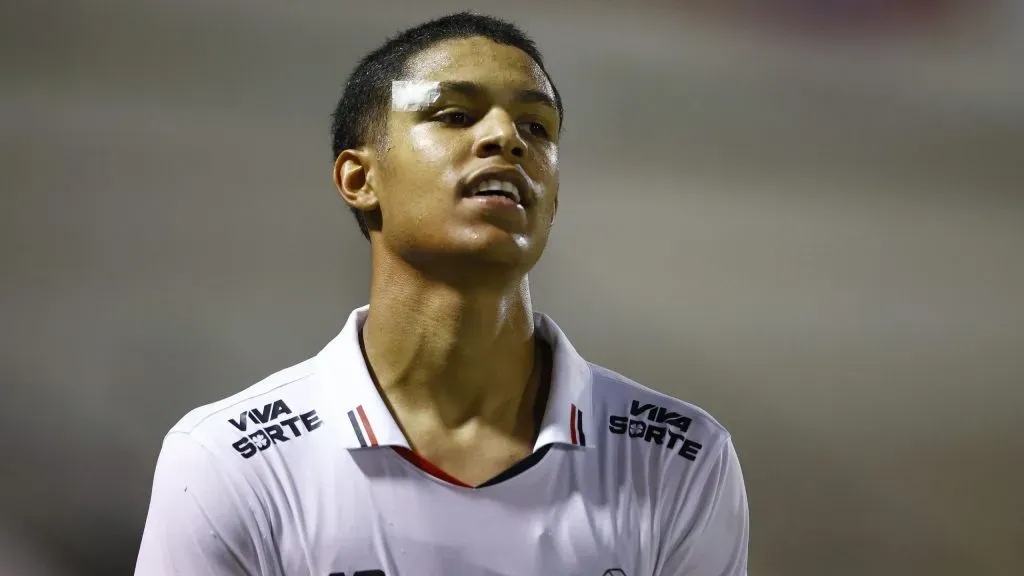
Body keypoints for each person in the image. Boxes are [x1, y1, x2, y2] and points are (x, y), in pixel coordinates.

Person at [135, 11, 749, 576]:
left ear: (554, 196)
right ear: (360, 177)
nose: (507, 139)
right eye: (455, 115)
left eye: (536, 126)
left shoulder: (681, 458)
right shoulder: (228, 462)